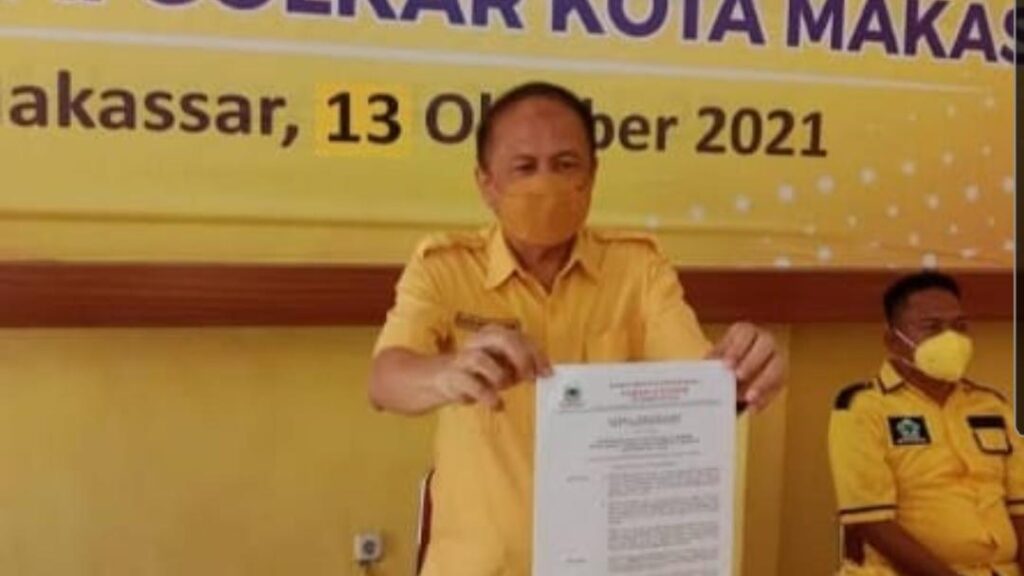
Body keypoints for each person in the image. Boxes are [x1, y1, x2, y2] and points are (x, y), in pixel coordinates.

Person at [369, 81, 786, 576]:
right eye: (524, 167)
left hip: (609, 561)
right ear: (486, 184)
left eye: (565, 164)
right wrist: (447, 373)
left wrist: (736, 379)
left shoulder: (638, 269)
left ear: (591, 176)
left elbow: (695, 379)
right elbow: (385, 379)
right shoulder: (444, 267)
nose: (545, 183)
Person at [829, 271, 1024, 576]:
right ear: (893, 340)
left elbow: (1019, 507)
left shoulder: (992, 405)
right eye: (932, 327)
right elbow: (871, 522)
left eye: (959, 326)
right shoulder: (863, 407)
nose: (951, 339)